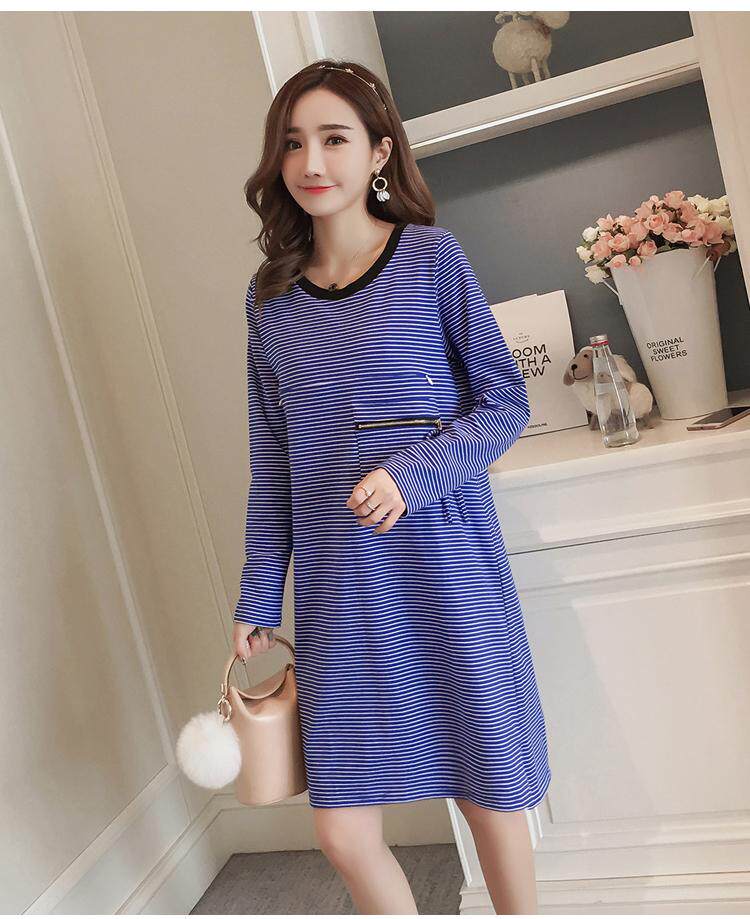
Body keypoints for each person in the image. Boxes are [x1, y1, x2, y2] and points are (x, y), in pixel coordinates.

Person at [231, 57, 552, 915]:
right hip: (339, 589)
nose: (311, 162)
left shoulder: (431, 259)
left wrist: (413, 473)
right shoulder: (269, 302)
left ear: (379, 152)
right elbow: (273, 468)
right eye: (293, 143)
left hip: (446, 566)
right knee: (342, 829)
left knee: (485, 787)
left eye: (334, 139)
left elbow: (505, 403)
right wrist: (258, 594)